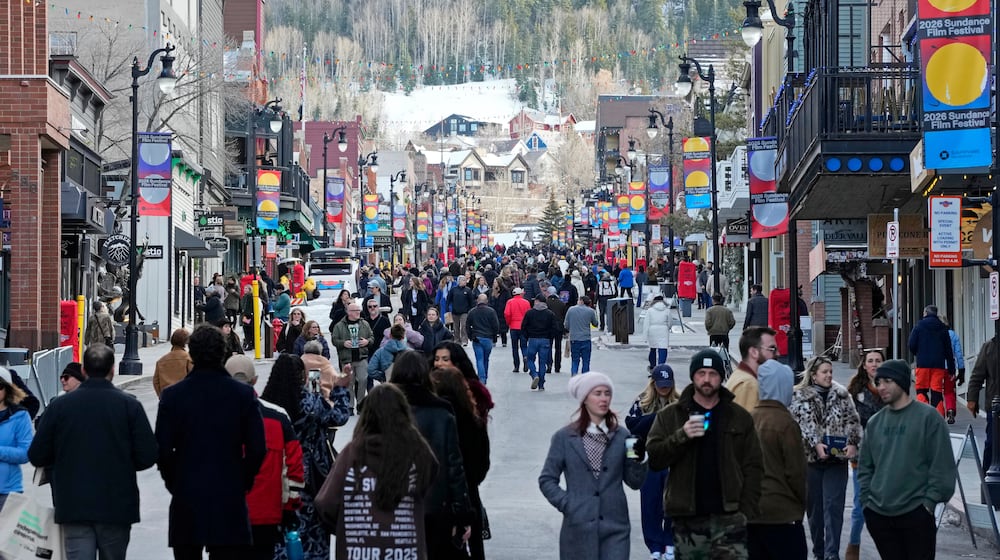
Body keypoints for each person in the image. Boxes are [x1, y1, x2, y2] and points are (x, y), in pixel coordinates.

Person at [29, 344, 156, 559]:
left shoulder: (60, 407)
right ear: (113, 370)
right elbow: (148, 455)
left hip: (73, 503)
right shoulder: (129, 406)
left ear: (84, 371)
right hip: (116, 503)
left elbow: (37, 454)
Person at [155, 325, 267, 560]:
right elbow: (257, 448)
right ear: (222, 353)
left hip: (187, 491)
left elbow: (163, 450)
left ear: (192, 354)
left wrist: (175, 482)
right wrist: (242, 480)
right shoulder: (242, 395)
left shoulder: (173, 396)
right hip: (229, 492)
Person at [645, 349, 764, 558]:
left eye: (713, 374)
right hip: (687, 519)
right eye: (701, 373)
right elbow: (655, 458)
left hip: (729, 518)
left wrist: (745, 511)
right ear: (693, 376)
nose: (707, 379)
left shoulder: (739, 417)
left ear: (721, 377)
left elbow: (754, 465)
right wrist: (681, 435)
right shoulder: (671, 416)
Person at [314, 384, 439, 560]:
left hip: (357, 550)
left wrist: (349, 526)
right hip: (405, 550)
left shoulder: (352, 453)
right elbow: (432, 477)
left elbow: (325, 503)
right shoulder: (416, 451)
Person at [539, 372, 647, 560]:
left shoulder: (623, 436)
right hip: (577, 528)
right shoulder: (564, 438)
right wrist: (568, 503)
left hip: (616, 527)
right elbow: (547, 479)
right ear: (584, 399)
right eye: (597, 393)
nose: (604, 398)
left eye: (607, 393)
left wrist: (641, 458)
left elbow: (634, 482)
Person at [859, 359, 957, 560]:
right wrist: (868, 504)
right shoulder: (875, 422)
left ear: (902, 382)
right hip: (879, 515)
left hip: (916, 514)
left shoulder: (928, 418)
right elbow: (865, 468)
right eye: (878, 382)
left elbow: (943, 468)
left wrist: (928, 504)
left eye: (887, 381)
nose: (881, 387)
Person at [261, 353, 351, 560]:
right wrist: (340, 389)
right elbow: (339, 417)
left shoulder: (267, 405)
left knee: (281, 529)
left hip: (277, 476)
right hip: (310, 476)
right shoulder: (311, 403)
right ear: (302, 376)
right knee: (312, 530)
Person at [389, 350, 475, 559]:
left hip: (393, 507)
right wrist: (462, 515)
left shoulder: (385, 411)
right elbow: (455, 467)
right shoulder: (442, 413)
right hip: (436, 507)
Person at [224, 355, 305, 560]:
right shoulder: (278, 416)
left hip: (224, 514)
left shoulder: (210, 417)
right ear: (254, 380)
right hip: (267, 514)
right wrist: (289, 509)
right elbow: (294, 467)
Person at [789, 356, 862, 560]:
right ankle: (819, 552)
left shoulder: (842, 395)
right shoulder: (798, 397)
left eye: (831, 371)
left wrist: (853, 443)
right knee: (815, 513)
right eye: (824, 372)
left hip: (836, 463)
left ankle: (832, 554)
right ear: (813, 375)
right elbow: (796, 428)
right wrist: (814, 444)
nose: (829, 375)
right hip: (811, 463)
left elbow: (853, 422)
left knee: (834, 508)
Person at [746, 359, 807, 559]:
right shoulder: (786, 423)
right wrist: (801, 504)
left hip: (752, 513)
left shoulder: (748, 419)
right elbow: (796, 473)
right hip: (782, 513)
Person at [430, 367, 491, 560]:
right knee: (471, 545)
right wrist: (471, 481)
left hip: (435, 499)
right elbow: (483, 462)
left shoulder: (433, 419)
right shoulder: (473, 420)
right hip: (467, 492)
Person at [625, 365, 679, 560]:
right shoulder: (641, 403)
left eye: (667, 385)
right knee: (650, 506)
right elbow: (632, 428)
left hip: (674, 463)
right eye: (660, 385)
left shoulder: (681, 402)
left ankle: (670, 543)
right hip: (649, 462)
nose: (664, 389)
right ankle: (654, 546)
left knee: (672, 506)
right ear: (653, 383)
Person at [845, 348, 886, 560]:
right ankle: (854, 545)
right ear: (864, 365)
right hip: (862, 457)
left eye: (878, 360)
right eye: (870, 361)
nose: (874, 364)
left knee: (887, 505)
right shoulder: (855, 391)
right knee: (860, 505)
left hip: (888, 458)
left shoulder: (891, 389)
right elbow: (849, 424)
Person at [908, 304, 955, 419]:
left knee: (921, 390)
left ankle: (923, 416)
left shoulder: (919, 326)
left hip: (923, 364)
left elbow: (911, 344)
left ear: (925, 313)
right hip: (938, 366)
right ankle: (938, 418)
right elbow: (949, 351)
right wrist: (951, 369)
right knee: (936, 392)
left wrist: (918, 353)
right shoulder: (943, 328)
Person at [433, 341, 495, 424]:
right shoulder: (428, 386)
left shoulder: (473, 388)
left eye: (445, 359)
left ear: (457, 363)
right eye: (436, 359)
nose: (439, 363)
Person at [330, 302, 374, 412]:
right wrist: (343, 343)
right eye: (355, 311)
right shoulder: (339, 325)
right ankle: (350, 406)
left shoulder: (364, 323)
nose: (358, 312)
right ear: (349, 312)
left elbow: (371, 337)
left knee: (363, 380)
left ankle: (360, 403)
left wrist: (367, 341)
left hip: (362, 356)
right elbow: (334, 340)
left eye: (359, 310)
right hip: (347, 359)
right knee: (349, 383)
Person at [725, 327, 779, 412]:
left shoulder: (741, 376)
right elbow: (749, 424)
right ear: (754, 352)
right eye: (772, 349)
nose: (778, 354)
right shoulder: (749, 385)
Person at [968, 336, 998, 471]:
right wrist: (972, 399)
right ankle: (987, 480)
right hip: (995, 405)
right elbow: (977, 375)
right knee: (992, 443)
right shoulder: (989, 347)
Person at [522, 294, 562, 391]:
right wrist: (549, 337)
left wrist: (527, 336)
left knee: (530, 359)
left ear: (537, 301)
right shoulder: (550, 314)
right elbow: (555, 328)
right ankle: (541, 384)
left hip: (533, 339)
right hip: (545, 340)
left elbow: (523, 327)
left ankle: (534, 374)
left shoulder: (530, 313)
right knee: (542, 362)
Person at [467, 293, 500, 384]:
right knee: (486, 358)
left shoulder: (472, 312)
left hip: (477, 337)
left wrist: (470, 336)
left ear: (477, 301)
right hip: (488, 338)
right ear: (486, 301)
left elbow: (467, 325)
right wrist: (494, 337)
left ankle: (482, 378)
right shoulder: (491, 311)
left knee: (479, 359)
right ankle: (484, 375)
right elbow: (496, 325)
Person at [153, 328, 193, 398]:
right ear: (186, 341)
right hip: (184, 397)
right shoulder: (188, 359)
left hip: (166, 397)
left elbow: (156, 382)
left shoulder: (161, 361)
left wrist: (161, 396)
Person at [940, 315, 965, 424]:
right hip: (950, 368)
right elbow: (959, 354)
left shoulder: (936, 335)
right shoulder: (953, 335)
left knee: (937, 391)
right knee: (949, 391)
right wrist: (961, 368)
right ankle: (950, 410)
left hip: (938, 367)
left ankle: (940, 412)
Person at [565, 296, 599, 375]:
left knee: (575, 360)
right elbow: (595, 323)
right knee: (586, 361)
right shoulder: (590, 311)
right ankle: (585, 377)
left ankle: (574, 374)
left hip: (574, 338)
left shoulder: (571, 310)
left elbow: (566, 325)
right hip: (585, 338)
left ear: (581, 301)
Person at [504, 287, 531, 373]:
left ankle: (516, 366)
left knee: (514, 347)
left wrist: (509, 323)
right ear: (521, 294)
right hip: (523, 327)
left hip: (513, 326)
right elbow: (529, 314)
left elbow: (507, 314)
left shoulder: (510, 302)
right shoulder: (526, 302)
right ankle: (525, 357)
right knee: (524, 346)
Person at [643, 294, 671, 372]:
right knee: (663, 348)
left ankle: (652, 366)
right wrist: (667, 328)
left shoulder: (650, 310)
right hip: (663, 330)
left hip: (652, 330)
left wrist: (645, 336)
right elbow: (670, 322)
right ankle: (661, 366)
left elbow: (646, 323)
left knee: (653, 348)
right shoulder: (667, 310)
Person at [545, 286, 568, 374]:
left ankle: (549, 364)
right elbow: (564, 316)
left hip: (548, 328)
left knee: (548, 347)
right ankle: (557, 366)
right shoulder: (561, 303)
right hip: (559, 328)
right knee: (558, 347)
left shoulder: (546, 303)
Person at [448, 275, 476, 346]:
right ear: (459, 281)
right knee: (455, 327)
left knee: (464, 326)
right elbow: (449, 300)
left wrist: (471, 310)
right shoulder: (453, 290)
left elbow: (471, 301)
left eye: (465, 280)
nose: (465, 281)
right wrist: (447, 309)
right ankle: (457, 340)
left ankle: (464, 340)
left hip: (465, 311)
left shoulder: (468, 290)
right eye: (463, 280)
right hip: (455, 311)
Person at [489, 278, 511, 348]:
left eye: (495, 282)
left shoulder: (505, 291)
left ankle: (504, 341)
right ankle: (494, 341)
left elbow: (508, 301)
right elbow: (489, 300)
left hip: (502, 311)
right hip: (493, 311)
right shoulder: (491, 291)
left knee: (503, 328)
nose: (494, 283)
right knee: (493, 327)